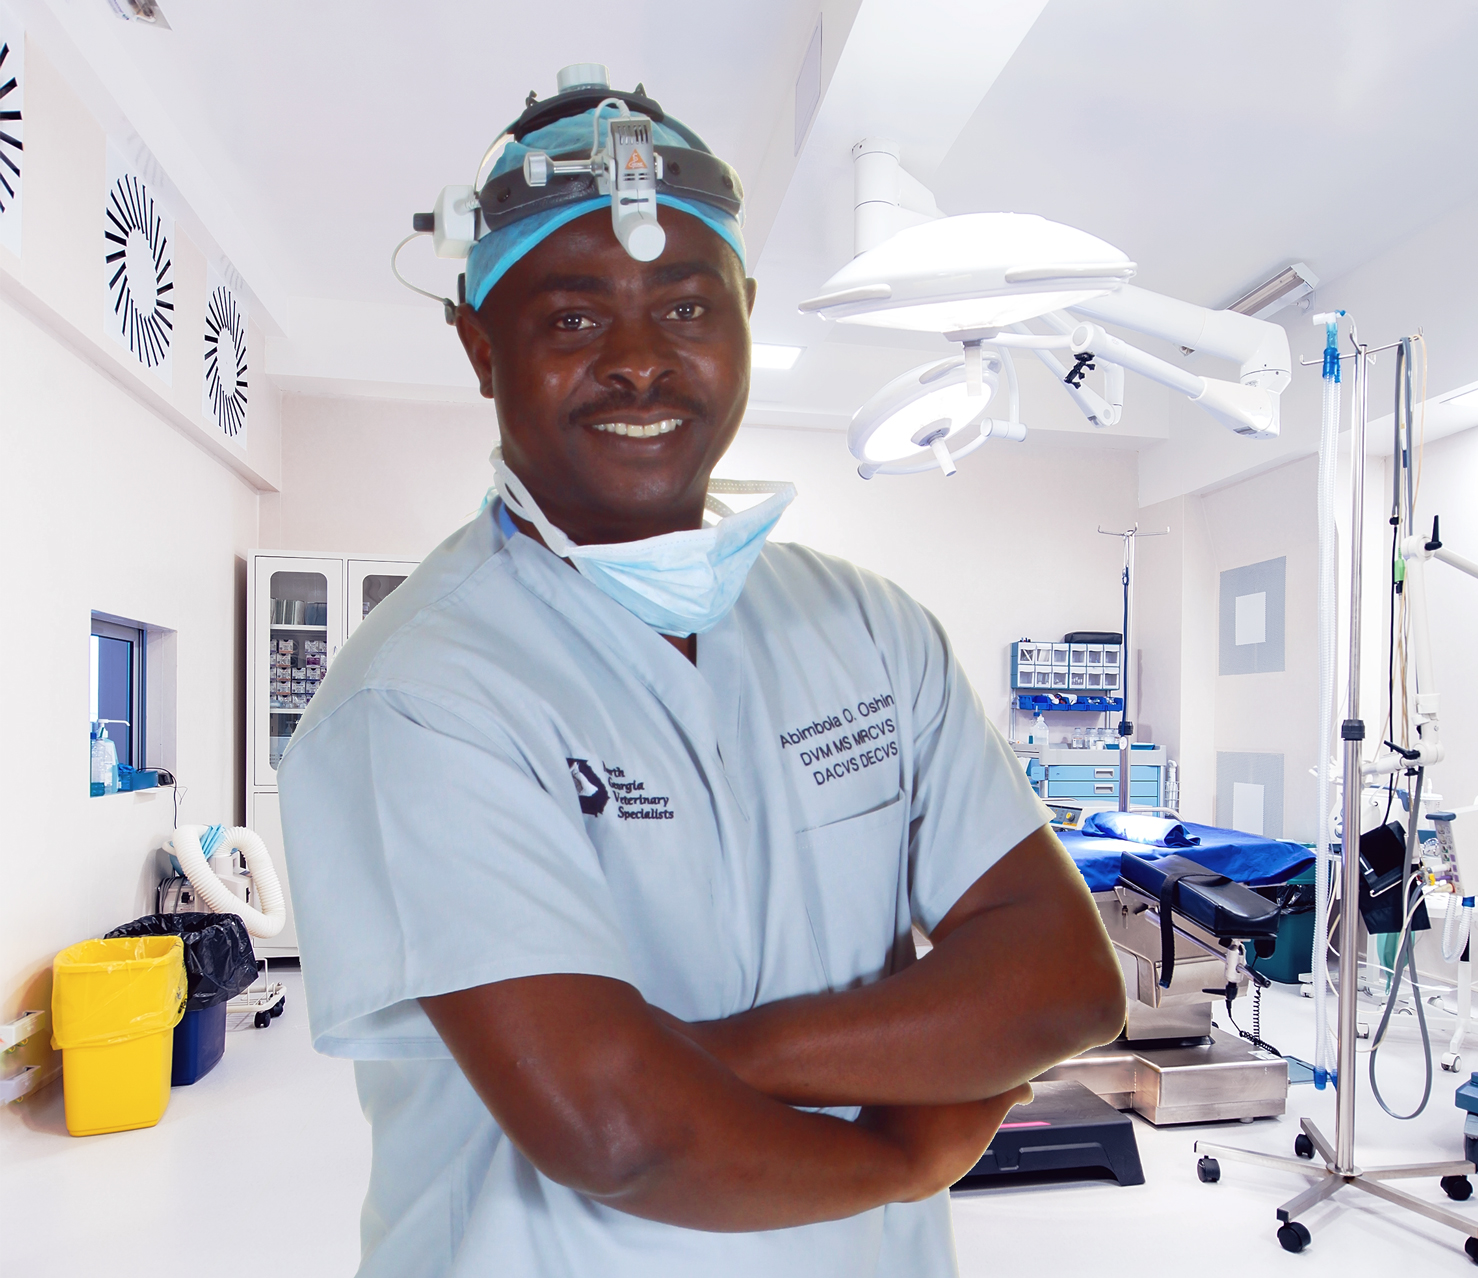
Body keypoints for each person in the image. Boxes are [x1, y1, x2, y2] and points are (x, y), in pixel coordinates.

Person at [277, 69, 1125, 1278]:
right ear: (477, 343)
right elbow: (619, 1131)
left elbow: (1062, 983)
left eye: (685, 308)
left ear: (743, 312)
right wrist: (901, 1163)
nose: (638, 362)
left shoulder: (874, 631)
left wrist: (709, 1053)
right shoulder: (421, 693)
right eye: (571, 319)